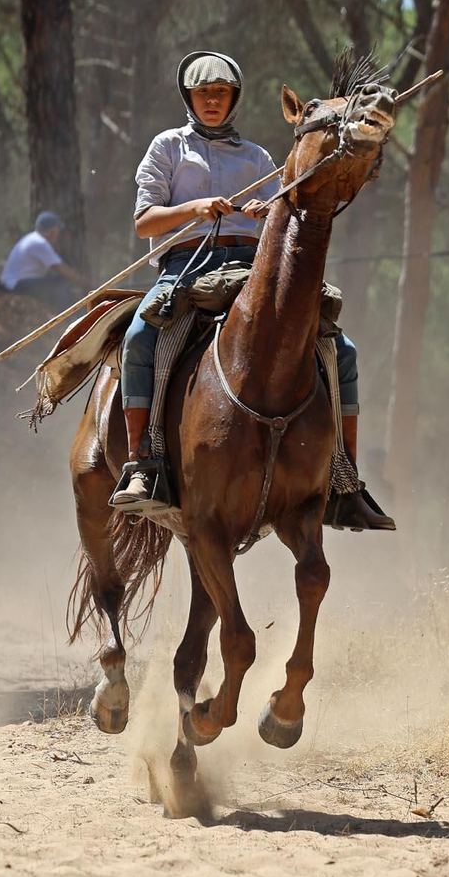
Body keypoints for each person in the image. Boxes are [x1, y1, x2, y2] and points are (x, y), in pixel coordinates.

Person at [109, 51, 393, 531]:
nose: (212, 101)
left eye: (221, 92)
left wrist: (267, 213)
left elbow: (288, 221)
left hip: (252, 266)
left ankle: (345, 479)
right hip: (186, 264)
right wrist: (196, 208)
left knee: (340, 348)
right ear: (189, 98)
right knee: (140, 336)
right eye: (203, 93)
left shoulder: (259, 157)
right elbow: (143, 224)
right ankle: (143, 464)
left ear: (234, 97)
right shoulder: (167, 148)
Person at [0, 211, 83, 307]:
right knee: (60, 283)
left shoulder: (31, 239)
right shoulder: (40, 243)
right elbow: (62, 270)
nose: (57, 235)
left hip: (12, 284)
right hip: (16, 286)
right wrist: (88, 285)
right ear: (52, 231)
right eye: (57, 231)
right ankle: (69, 316)